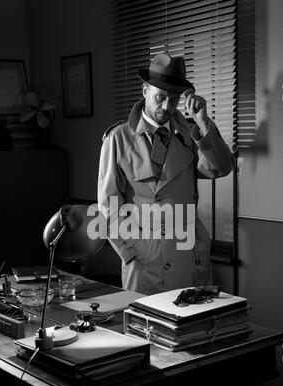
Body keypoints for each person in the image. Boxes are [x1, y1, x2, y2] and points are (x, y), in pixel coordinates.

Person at [98, 53, 233, 295]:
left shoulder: (191, 135)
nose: (166, 107)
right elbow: (109, 206)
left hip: (188, 255)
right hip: (144, 259)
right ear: (145, 91)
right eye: (160, 97)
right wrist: (132, 252)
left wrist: (203, 123)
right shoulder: (118, 139)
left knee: (194, 327)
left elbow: (221, 168)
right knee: (147, 328)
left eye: (173, 99)